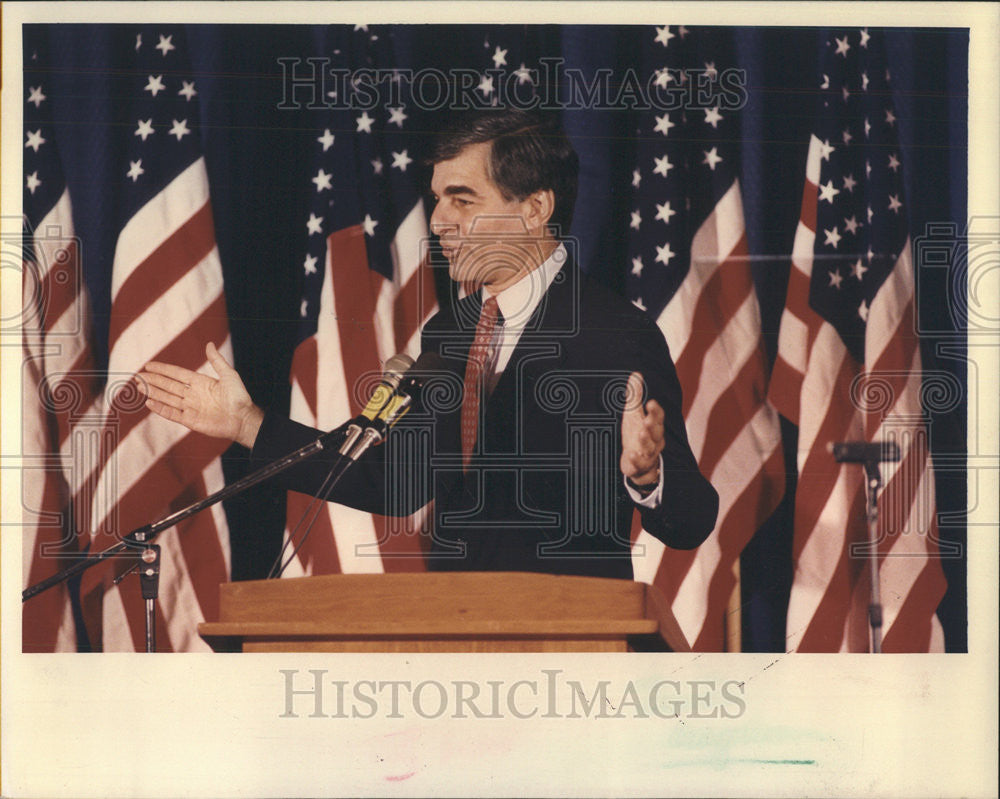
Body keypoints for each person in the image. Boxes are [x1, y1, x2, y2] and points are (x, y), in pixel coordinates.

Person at [139, 108, 718, 579]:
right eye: (438, 198)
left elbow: (692, 520)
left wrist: (646, 475)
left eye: (462, 200)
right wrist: (248, 425)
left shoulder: (616, 333)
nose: (439, 220)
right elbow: (392, 478)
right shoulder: (452, 332)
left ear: (535, 208)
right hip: (451, 638)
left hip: (571, 649)